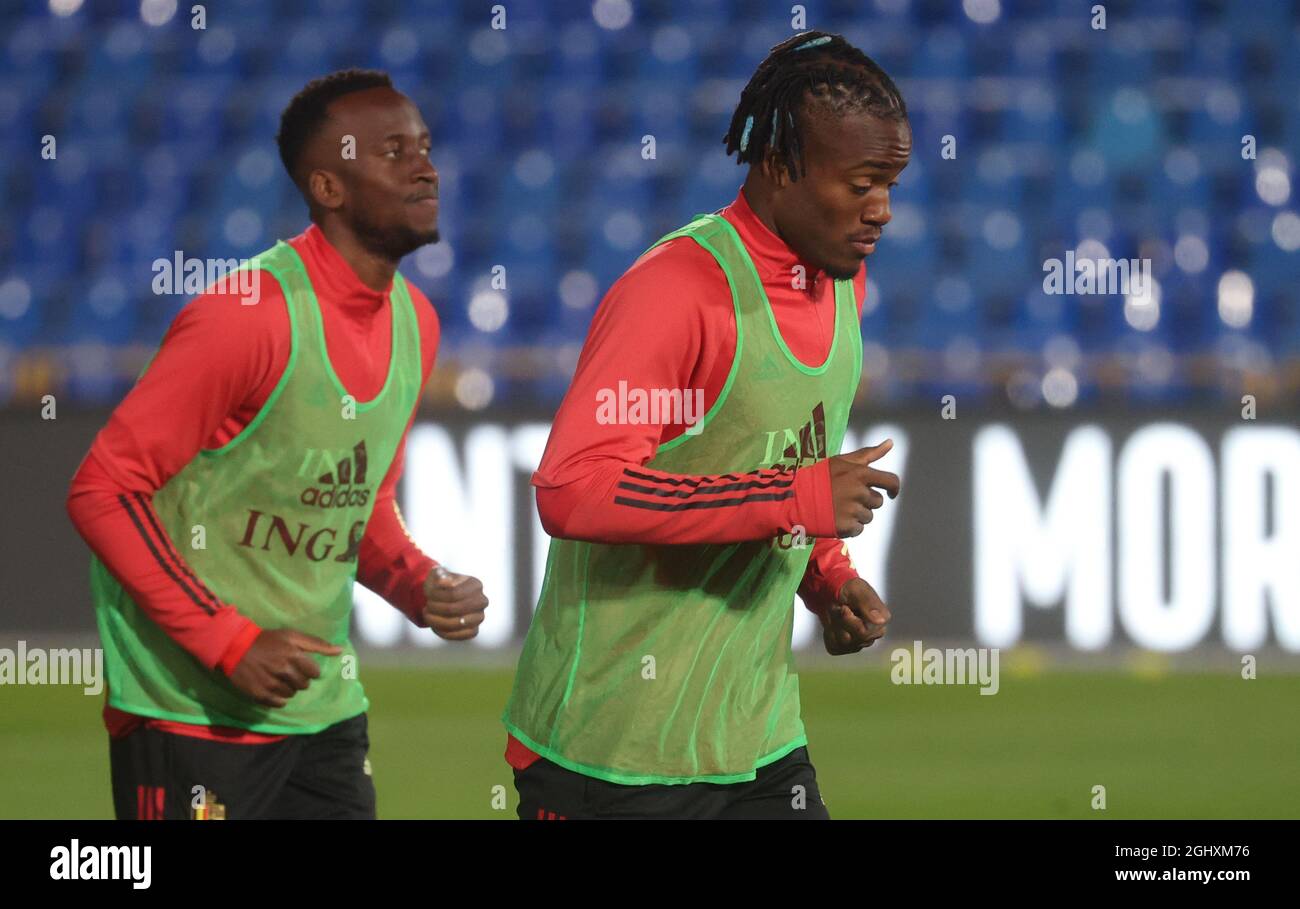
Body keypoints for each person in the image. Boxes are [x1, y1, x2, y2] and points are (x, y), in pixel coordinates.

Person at [502, 31, 912, 819]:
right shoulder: (678, 293)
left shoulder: (841, 285)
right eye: (862, 183)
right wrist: (796, 499)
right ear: (782, 167)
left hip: (756, 742)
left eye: (891, 183)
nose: (883, 211)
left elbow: (788, 458)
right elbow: (572, 488)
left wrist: (827, 576)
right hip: (611, 753)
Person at [66, 69, 488, 820]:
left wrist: (417, 583)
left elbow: (360, 503)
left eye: (424, 146)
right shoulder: (245, 316)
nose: (425, 167)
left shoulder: (415, 323)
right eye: (393, 151)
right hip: (190, 711)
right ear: (328, 187)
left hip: (321, 710)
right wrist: (229, 640)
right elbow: (104, 489)